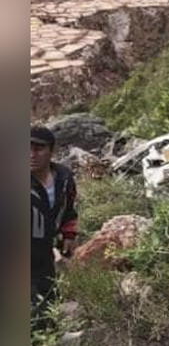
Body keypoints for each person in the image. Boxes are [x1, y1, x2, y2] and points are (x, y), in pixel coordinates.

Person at [30, 126, 79, 328]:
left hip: (45, 251)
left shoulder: (64, 178)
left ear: (52, 150)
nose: (31, 154)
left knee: (49, 296)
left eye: (38, 148)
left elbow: (69, 209)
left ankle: (49, 335)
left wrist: (68, 234)